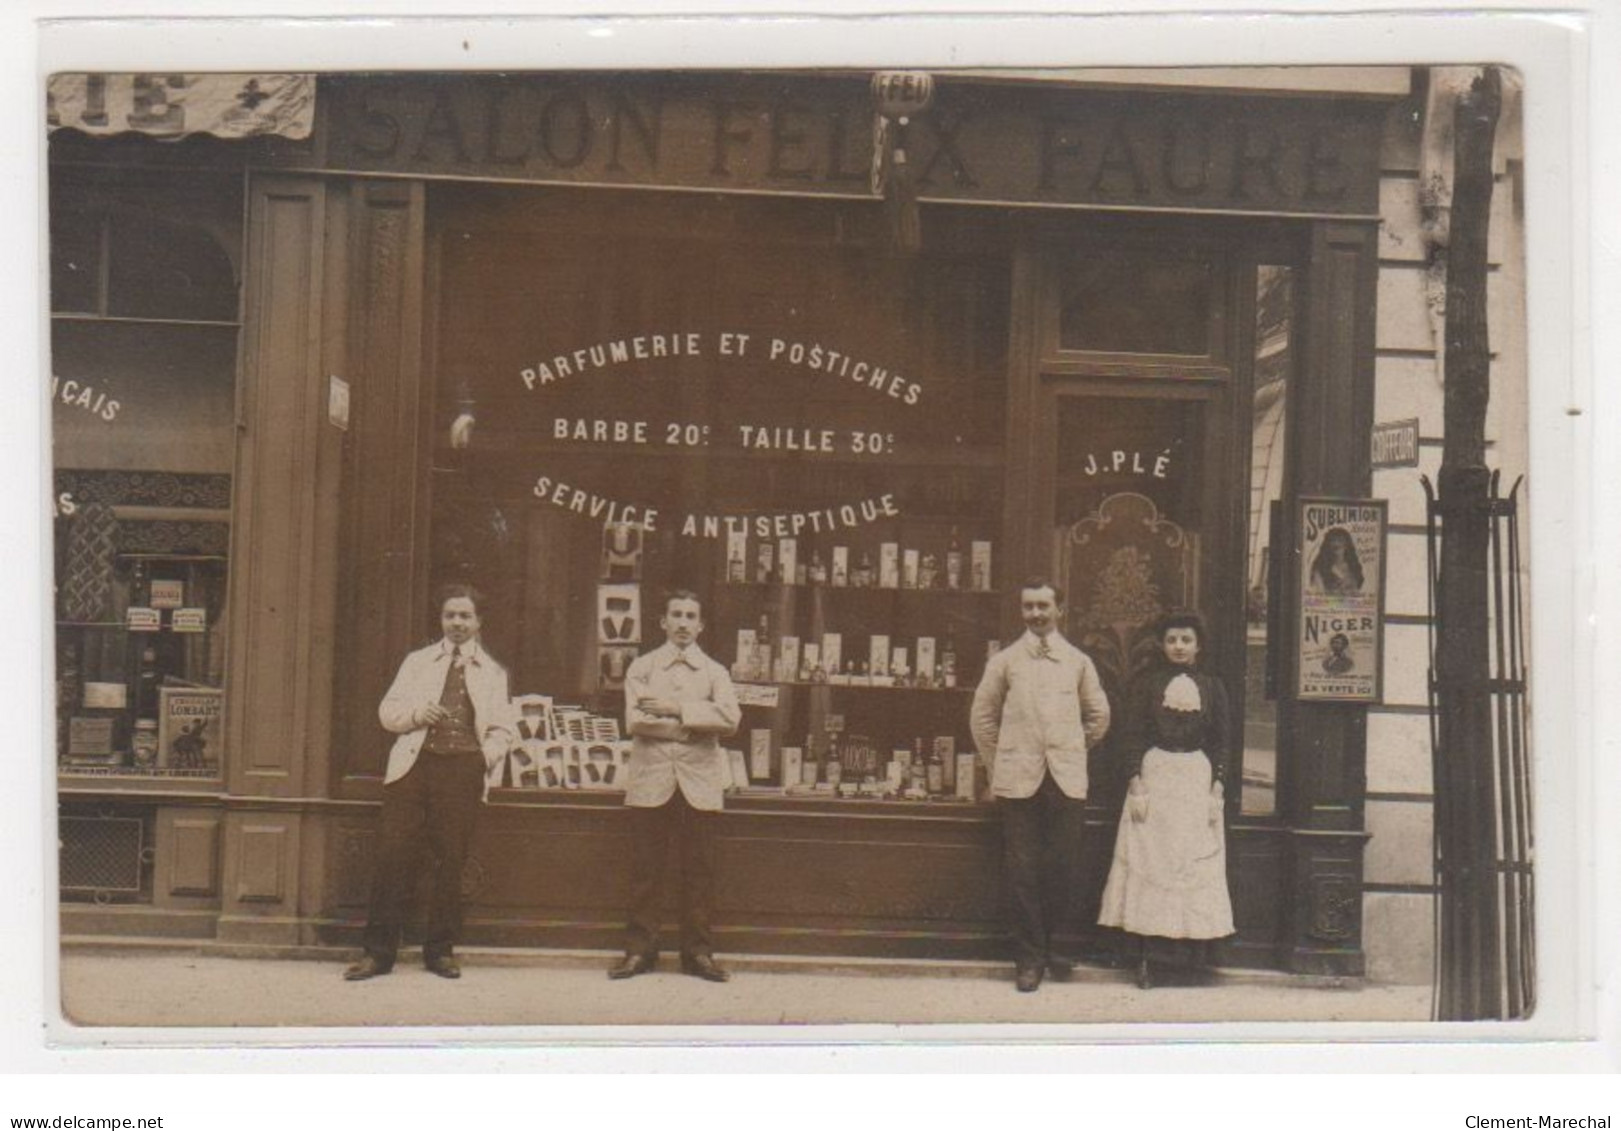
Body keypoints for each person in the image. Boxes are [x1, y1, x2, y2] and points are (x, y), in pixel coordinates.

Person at [344, 584, 514, 981]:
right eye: (450, 615)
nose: (457, 623)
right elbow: (388, 713)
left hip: (462, 772)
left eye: (465, 616)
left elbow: (504, 730)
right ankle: (377, 954)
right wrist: (418, 714)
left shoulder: (492, 673)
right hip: (414, 770)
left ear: (478, 622)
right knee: (392, 859)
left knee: (451, 862)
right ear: (441, 620)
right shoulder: (419, 662)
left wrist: (480, 760)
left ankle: (440, 951)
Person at [970, 579, 1111, 993]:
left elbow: (1099, 715)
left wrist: (1069, 747)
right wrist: (1005, 760)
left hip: (1064, 779)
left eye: (1043, 606)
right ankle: (1029, 959)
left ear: (1059, 609)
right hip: (1018, 782)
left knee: (1063, 867)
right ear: (1022, 612)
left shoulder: (1078, 661)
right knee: (1022, 871)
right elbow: (982, 718)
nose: (1036, 614)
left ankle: (1059, 949)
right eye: (1028, 607)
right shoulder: (1005, 662)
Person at [608, 589, 742, 983]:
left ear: (701, 625)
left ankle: (698, 955)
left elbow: (731, 719)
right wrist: (696, 727)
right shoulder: (644, 668)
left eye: (691, 616)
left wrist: (676, 709)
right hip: (651, 779)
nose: (683, 623)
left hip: (699, 782)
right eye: (676, 615)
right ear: (662, 622)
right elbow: (636, 722)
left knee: (698, 871)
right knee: (646, 871)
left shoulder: (715, 671)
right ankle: (638, 952)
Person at [1098, 611, 1236, 989]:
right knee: (1152, 863)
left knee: (1189, 863)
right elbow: (1130, 734)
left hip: (1195, 780)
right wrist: (1136, 781)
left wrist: (1218, 786)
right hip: (1155, 777)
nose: (1178, 646)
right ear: (1163, 644)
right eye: (1172, 639)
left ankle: (1190, 959)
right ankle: (1148, 958)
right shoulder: (1147, 685)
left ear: (1198, 645)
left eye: (1186, 640)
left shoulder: (1212, 687)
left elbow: (1224, 740)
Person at [1308, 527, 1365, 595]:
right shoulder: (1320, 570)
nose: (1336, 544)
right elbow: (1317, 594)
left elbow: (1357, 591)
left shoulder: (1354, 568)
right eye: (1333, 541)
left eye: (1340, 541)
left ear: (1347, 546)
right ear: (1327, 547)